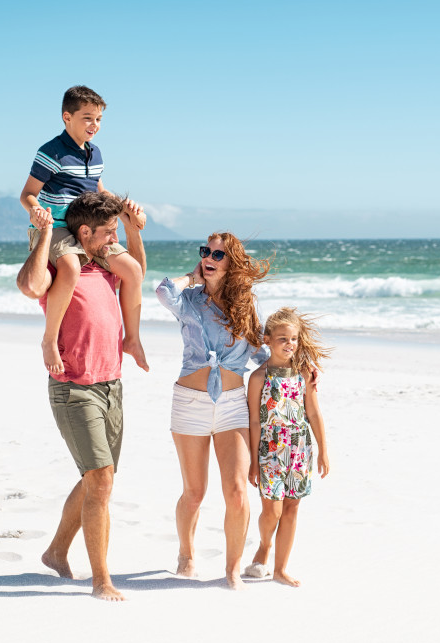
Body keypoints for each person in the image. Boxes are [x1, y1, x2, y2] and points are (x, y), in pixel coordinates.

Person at [17, 191, 147, 601]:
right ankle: (101, 580)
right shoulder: (61, 272)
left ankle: (56, 552)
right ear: (84, 233)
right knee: (101, 481)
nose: (113, 241)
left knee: (98, 480)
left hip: (111, 386)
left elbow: (137, 271)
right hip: (74, 388)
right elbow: (30, 284)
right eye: (107, 234)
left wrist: (129, 227)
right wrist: (42, 236)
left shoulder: (104, 266)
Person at [155, 234, 271, 590]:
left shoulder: (247, 306)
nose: (209, 257)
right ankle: (186, 554)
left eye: (217, 254)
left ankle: (232, 569)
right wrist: (192, 277)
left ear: (231, 262)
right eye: (205, 251)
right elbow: (162, 290)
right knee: (194, 493)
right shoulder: (188, 299)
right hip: (190, 404)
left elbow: (263, 353)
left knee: (237, 490)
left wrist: (301, 368)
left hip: (233, 405)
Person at [17, 85, 149, 376]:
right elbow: (27, 193)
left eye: (99, 119)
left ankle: (132, 339)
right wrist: (35, 210)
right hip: (58, 226)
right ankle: (49, 340)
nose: (95, 125)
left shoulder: (95, 153)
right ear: (67, 117)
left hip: (89, 227)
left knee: (133, 270)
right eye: (88, 118)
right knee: (71, 267)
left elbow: (96, 189)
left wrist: (123, 208)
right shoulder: (51, 152)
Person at [244, 307, 330, 587]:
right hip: (270, 451)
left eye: (293, 339)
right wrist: (254, 461)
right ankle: (265, 545)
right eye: (282, 338)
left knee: (292, 509)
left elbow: (314, 414)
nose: (289, 344)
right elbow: (254, 421)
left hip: (299, 450)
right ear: (267, 340)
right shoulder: (258, 378)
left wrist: (323, 450)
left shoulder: (304, 375)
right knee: (272, 512)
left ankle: (280, 569)